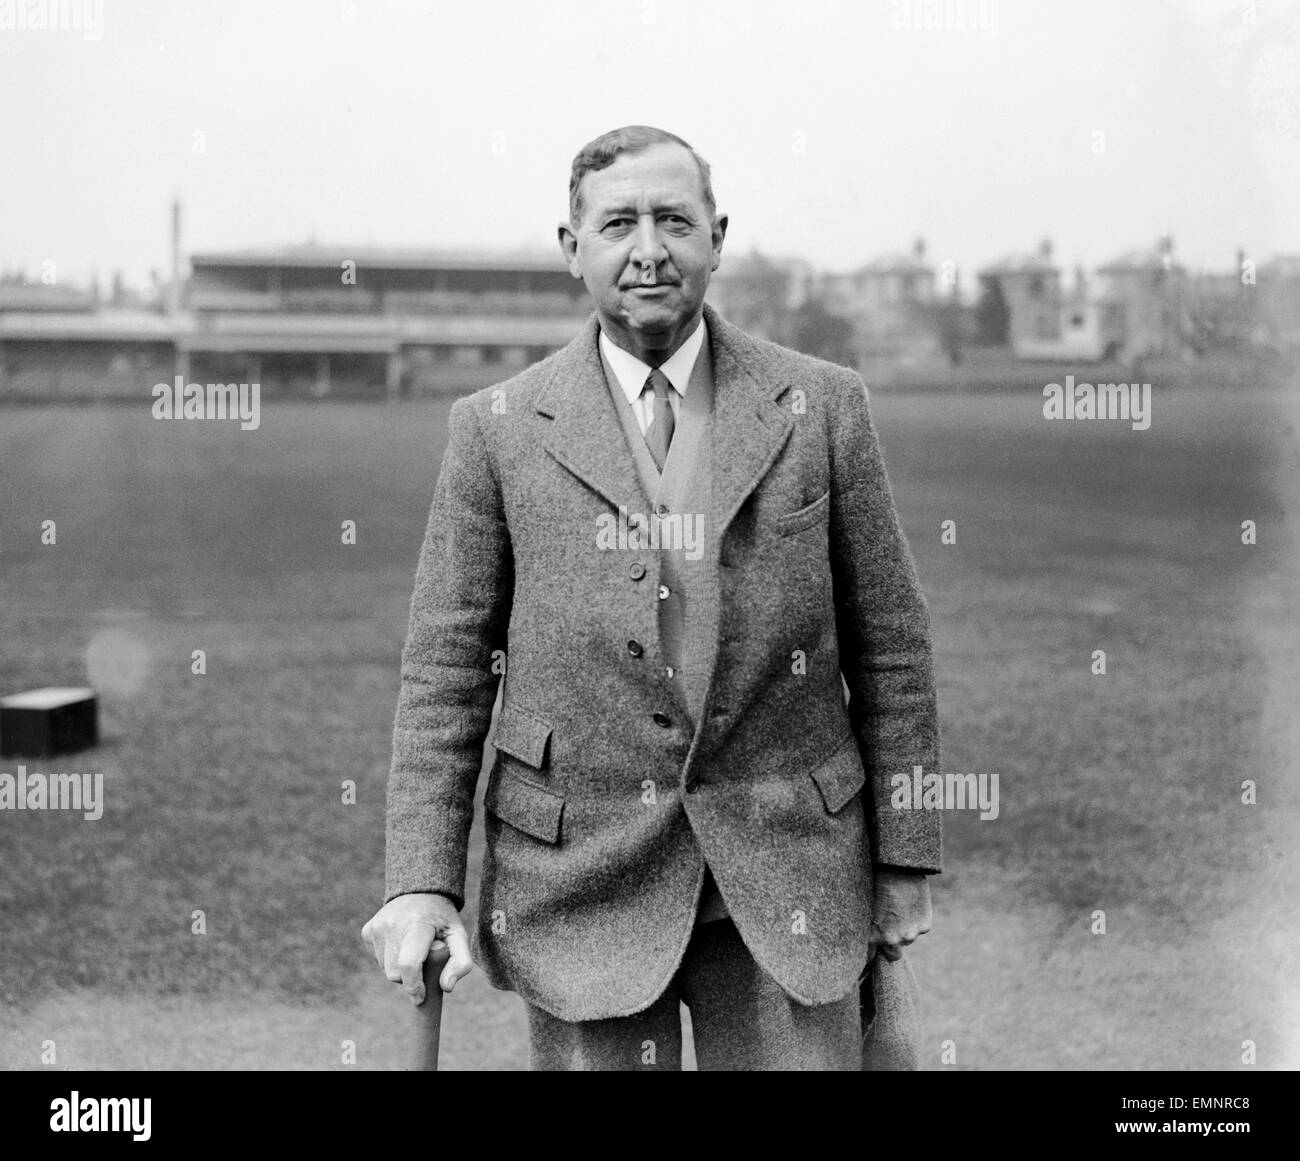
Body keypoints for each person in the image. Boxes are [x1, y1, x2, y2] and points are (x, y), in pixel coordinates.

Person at [362, 125, 940, 1070]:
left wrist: (904, 855)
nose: (648, 248)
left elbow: (892, 645)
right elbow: (446, 669)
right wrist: (422, 881)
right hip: (579, 871)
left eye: (674, 220)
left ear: (717, 236)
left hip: (786, 858)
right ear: (572, 247)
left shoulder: (823, 405)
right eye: (618, 222)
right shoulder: (495, 431)